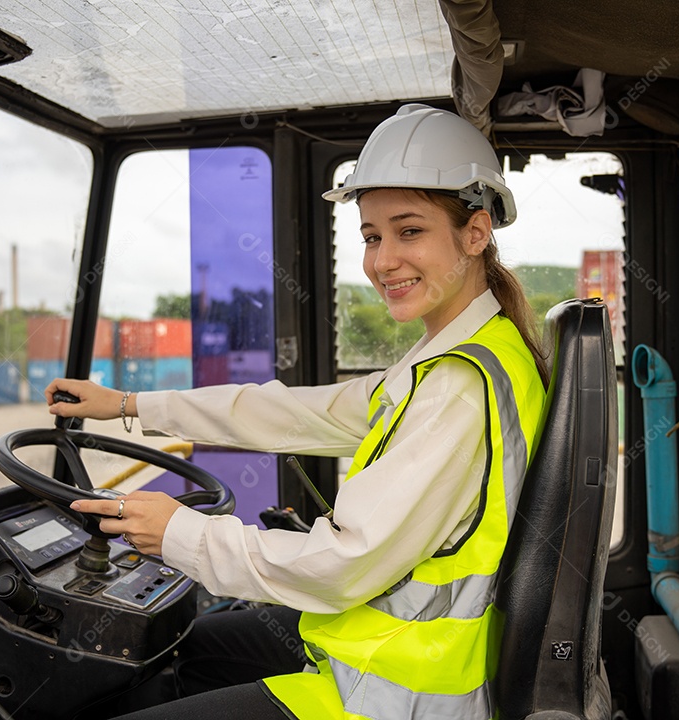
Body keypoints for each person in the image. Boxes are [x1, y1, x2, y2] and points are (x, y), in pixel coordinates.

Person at [46, 104, 550, 720]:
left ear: (475, 233)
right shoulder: (464, 355)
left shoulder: (457, 385)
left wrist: (180, 533)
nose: (382, 261)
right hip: (372, 654)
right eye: (371, 236)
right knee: (197, 646)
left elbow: (344, 563)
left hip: (394, 698)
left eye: (409, 230)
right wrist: (128, 404)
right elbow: (292, 414)